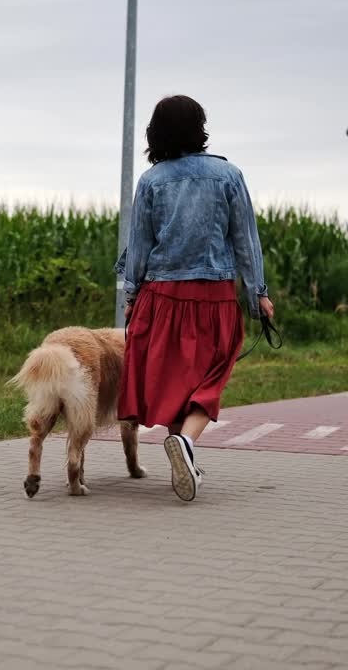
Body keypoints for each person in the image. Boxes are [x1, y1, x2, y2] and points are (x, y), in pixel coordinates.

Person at [115, 95, 273, 502]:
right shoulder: (228, 174)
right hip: (214, 295)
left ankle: (180, 448)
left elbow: (140, 245)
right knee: (210, 377)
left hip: (162, 294)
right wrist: (259, 296)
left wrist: (132, 295)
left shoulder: (151, 181)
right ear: (199, 128)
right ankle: (185, 443)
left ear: (157, 132)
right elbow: (245, 242)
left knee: (174, 378)